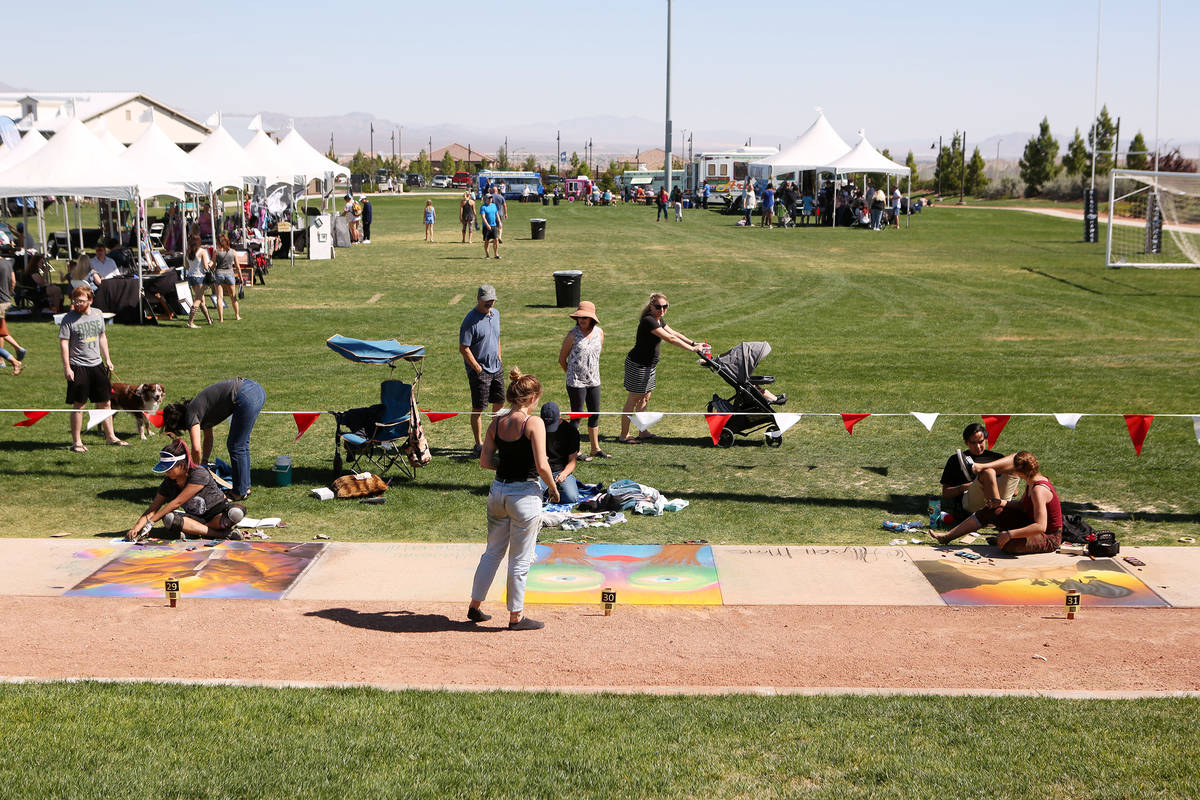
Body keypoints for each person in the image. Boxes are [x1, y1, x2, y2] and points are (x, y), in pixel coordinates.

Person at [467, 368, 558, 630]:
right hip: (524, 496)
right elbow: (542, 465)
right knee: (520, 558)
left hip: (498, 493)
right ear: (532, 399)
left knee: (492, 553)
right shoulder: (534, 423)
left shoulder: (497, 422)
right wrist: (552, 488)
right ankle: (515, 616)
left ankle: (475, 606)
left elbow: (485, 461)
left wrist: (507, 464)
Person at [933, 451, 1063, 555]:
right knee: (990, 511)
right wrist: (1001, 502)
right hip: (1029, 522)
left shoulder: (1038, 490)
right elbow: (1023, 506)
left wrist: (1009, 534)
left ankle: (1004, 539)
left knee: (1008, 545)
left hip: (1049, 538)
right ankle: (947, 536)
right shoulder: (1032, 482)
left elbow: (1040, 527)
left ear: (1019, 472)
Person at [160, 377, 267, 502]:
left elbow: (196, 449)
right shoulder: (201, 409)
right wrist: (204, 462)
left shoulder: (191, 414)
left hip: (245, 394)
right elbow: (208, 438)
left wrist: (196, 471)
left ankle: (239, 492)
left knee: (236, 445)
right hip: (255, 390)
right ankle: (244, 488)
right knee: (241, 445)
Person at [619, 292, 704, 444]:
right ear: (651, 306)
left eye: (665, 307)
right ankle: (624, 435)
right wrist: (692, 350)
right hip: (638, 365)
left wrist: (693, 343)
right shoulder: (649, 321)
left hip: (649, 365)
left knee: (645, 398)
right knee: (633, 399)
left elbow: (674, 333)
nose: (662, 310)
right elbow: (670, 338)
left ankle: (643, 432)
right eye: (658, 307)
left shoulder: (658, 319)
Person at [126, 438, 247, 541]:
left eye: (169, 469)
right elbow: (153, 509)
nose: (166, 473)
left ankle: (197, 531)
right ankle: (219, 534)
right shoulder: (168, 482)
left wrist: (151, 522)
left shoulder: (199, 473)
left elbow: (177, 502)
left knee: (236, 512)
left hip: (217, 516)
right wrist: (136, 528)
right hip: (195, 519)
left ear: (182, 465)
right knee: (169, 518)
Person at [59, 285, 127, 452]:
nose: (77, 304)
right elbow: (64, 343)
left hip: (97, 364)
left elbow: (102, 337)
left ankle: (110, 437)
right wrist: (67, 367)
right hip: (78, 366)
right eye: (75, 301)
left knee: (105, 402)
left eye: (81, 301)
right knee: (79, 404)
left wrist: (108, 359)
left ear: (90, 300)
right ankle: (77, 442)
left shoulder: (97, 314)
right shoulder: (69, 318)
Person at [939, 423, 1020, 524]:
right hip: (971, 499)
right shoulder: (955, 460)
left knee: (1018, 459)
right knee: (988, 472)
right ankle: (996, 515)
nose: (978, 446)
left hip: (999, 498)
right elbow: (946, 493)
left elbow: (1015, 492)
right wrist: (963, 487)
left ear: (986, 439)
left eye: (981, 442)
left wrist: (996, 483)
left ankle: (980, 468)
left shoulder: (997, 457)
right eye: (973, 443)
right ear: (966, 443)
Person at [558, 300, 607, 460]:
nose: (582, 320)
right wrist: (571, 375)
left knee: (594, 414)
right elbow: (562, 359)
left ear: (592, 318)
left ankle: (595, 448)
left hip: (594, 381)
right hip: (576, 383)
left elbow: (597, 355)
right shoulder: (572, 335)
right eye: (579, 317)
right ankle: (574, 450)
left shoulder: (599, 333)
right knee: (577, 416)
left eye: (585, 317)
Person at [460, 284, 503, 457]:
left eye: (492, 300)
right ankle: (479, 444)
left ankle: (496, 439)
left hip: (496, 367)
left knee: (499, 405)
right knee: (478, 408)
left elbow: (497, 337)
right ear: (478, 299)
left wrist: (499, 356)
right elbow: (464, 348)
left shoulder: (496, 314)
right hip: (480, 371)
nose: (490, 303)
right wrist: (477, 368)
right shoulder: (470, 320)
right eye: (486, 300)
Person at [539, 401, 581, 504]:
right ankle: (548, 493)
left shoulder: (571, 431)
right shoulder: (536, 428)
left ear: (560, 416)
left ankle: (551, 492)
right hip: (541, 471)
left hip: (560, 471)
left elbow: (572, 461)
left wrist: (564, 474)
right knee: (531, 497)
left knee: (572, 497)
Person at [0, 254, 27, 365]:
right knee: (1, 330)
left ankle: (2, 360)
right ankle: (18, 349)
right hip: (6, 300)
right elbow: (14, 281)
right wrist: (9, 293)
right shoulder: (7, 263)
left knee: (0, 332)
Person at [184, 234, 214, 328]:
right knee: (198, 299)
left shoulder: (188, 251)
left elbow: (187, 266)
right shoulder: (202, 251)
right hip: (200, 277)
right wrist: (211, 263)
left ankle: (209, 320)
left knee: (201, 300)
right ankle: (190, 322)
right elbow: (205, 266)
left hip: (191, 277)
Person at [211, 234, 241, 323]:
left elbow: (212, 265)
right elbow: (237, 266)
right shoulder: (233, 252)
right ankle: (237, 316)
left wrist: (210, 270)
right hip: (230, 274)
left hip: (219, 274)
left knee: (220, 297)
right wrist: (240, 277)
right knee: (233, 297)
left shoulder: (216, 252)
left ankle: (221, 319)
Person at [479, 195, 501, 259]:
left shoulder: (494, 205)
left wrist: (499, 222)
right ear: (486, 199)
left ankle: (496, 254)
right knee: (487, 241)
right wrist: (487, 225)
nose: (490, 199)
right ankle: (487, 254)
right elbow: (483, 217)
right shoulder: (483, 207)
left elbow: (497, 214)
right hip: (486, 227)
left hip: (494, 225)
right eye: (489, 198)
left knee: (496, 239)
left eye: (491, 198)